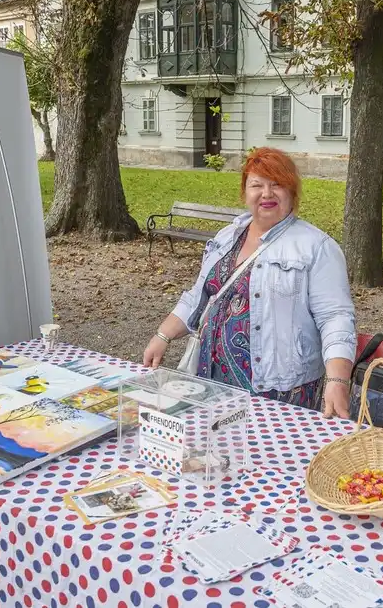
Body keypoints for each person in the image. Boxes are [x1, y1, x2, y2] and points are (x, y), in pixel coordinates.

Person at [143, 147, 356, 417]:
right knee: (219, 456)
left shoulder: (317, 247)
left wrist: (338, 381)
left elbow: (336, 319)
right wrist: (163, 335)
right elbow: (200, 296)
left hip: (278, 391)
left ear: (292, 192)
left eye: (277, 185)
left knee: (273, 457)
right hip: (212, 381)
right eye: (257, 185)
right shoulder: (228, 236)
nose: (267, 194)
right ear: (245, 192)